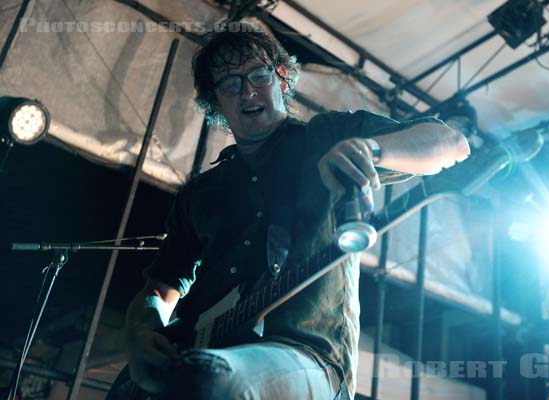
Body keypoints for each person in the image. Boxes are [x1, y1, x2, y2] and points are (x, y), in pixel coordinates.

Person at [121, 23, 470, 399]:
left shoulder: (328, 134)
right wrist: (142, 331)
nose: (248, 91)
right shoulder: (201, 192)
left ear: (282, 79)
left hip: (308, 354)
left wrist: (370, 149)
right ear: (216, 104)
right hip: (202, 353)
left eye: (258, 75)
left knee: (207, 379)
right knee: (199, 375)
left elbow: (451, 143)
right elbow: (160, 286)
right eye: (230, 84)